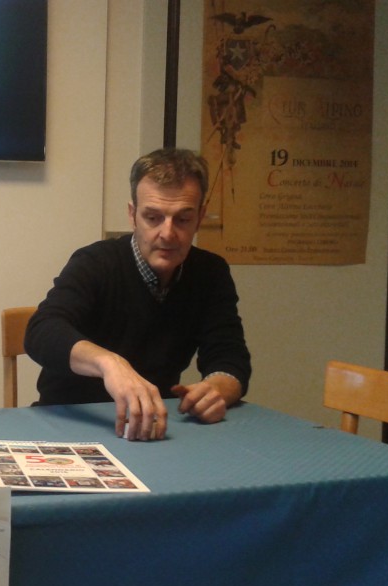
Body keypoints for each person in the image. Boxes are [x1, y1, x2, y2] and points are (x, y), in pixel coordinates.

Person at [24, 148, 251, 442]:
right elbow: (41, 331)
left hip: (156, 428)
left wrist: (217, 388)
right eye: (153, 218)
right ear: (133, 215)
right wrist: (110, 365)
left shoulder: (211, 273)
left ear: (199, 218)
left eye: (182, 219)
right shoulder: (95, 263)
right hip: (70, 422)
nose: (167, 233)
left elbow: (230, 357)